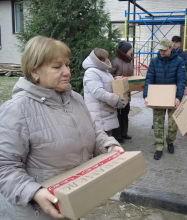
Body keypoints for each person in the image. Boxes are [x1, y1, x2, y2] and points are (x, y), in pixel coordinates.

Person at [0, 36, 124, 220]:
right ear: (35, 72)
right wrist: (34, 192)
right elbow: (5, 167)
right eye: (57, 67)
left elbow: (94, 130)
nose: (67, 72)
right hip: (35, 212)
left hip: (71, 203)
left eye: (67, 65)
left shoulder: (75, 98)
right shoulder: (17, 110)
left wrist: (109, 146)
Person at [143, 38, 186, 160]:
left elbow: (181, 80)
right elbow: (149, 78)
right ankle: (159, 146)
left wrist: (178, 97)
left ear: (170, 48)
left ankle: (170, 141)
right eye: (160, 50)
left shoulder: (179, 61)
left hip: (173, 98)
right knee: (158, 123)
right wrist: (146, 95)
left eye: (164, 50)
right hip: (158, 97)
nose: (162, 52)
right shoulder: (154, 61)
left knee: (173, 124)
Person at [83, 48, 126, 135]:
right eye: (106, 58)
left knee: (107, 141)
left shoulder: (103, 71)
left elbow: (105, 84)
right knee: (102, 142)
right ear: (100, 59)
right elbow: (98, 92)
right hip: (99, 115)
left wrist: (115, 80)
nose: (108, 60)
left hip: (105, 112)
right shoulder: (91, 72)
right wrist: (115, 100)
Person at [110, 41, 134, 143]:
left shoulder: (130, 60)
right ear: (124, 51)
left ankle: (124, 133)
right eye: (129, 50)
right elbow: (108, 74)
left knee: (125, 112)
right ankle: (117, 135)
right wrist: (115, 77)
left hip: (127, 91)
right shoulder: (115, 61)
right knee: (117, 113)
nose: (131, 51)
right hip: (117, 91)